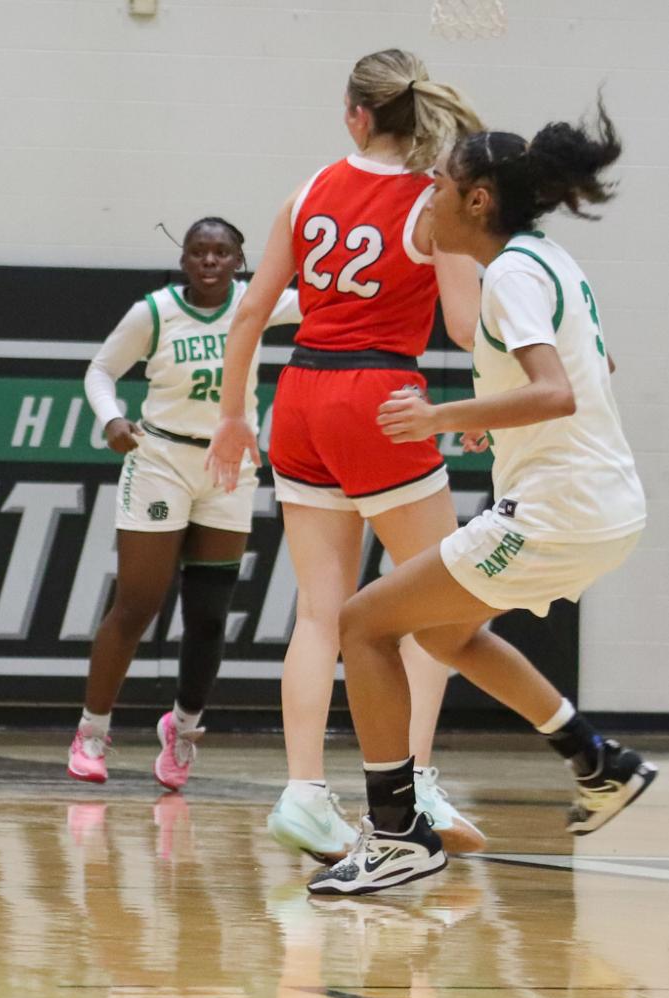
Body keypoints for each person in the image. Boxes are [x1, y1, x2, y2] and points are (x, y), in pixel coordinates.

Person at [307, 104, 655, 894]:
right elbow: (590, 372)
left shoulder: (510, 273)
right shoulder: (550, 259)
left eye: (440, 184)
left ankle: (395, 834)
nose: (426, 195)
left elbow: (553, 391)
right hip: (601, 502)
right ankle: (598, 763)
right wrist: (495, 419)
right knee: (444, 636)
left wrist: (442, 416)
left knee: (362, 624)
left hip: (558, 509)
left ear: (477, 201)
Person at [205, 49, 488, 861]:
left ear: (355, 113)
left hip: (299, 396)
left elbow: (249, 314)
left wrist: (233, 416)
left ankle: (302, 793)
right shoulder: (432, 204)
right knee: (436, 605)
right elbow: (466, 329)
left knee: (319, 615)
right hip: (379, 401)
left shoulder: (306, 191)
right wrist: (483, 404)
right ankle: (418, 780)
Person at [72, 218, 301, 790]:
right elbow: (100, 370)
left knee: (208, 614)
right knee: (139, 603)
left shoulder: (258, 302)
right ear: (184, 261)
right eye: (198, 252)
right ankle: (92, 730)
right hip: (161, 459)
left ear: (239, 260)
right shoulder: (154, 311)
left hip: (228, 465)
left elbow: (330, 299)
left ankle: (184, 728)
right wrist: (112, 418)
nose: (209, 261)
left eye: (221, 252)